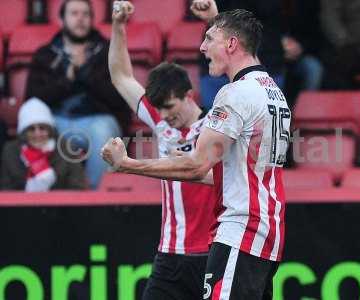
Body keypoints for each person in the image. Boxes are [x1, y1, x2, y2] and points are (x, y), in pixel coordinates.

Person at [103, 6, 291, 300]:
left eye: (210, 39)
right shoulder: (273, 93)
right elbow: (227, 173)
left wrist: (126, 164)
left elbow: (197, 167)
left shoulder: (235, 96)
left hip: (237, 231)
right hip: (261, 233)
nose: (202, 47)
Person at [108, 2, 217, 299]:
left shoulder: (217, 125)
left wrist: (212, 20)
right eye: (160, 109)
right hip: (169, 257)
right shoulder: (161, 122)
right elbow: (121, 76)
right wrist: (118, 27)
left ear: (188, 95)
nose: (165, 115)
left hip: (213, 254)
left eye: (170, 107)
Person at [25, 0, 131, 189]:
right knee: (38, 133)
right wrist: (66, 80)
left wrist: (86, 74)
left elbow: (120, 98)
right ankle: (49, 205)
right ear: (61, 19)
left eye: (85, 14)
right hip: (56, 121)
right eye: (74, 14)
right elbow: (32, 100)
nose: (80, 19)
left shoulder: (109, 51)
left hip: (98, 120)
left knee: (103, 134)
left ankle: (93, 201)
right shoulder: (46, 54)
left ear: (92, 19)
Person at [196, 0, 286, 110]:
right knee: (215, 118)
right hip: (217, 69)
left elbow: (268, 11)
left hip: (267, 62)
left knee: (259, 119)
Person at [1, 97, 86, 191]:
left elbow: (77, 187)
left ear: (50, 130)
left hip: (61, 204)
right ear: (24, 133)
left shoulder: (66, 148)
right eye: (31, 129)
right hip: (21, 204)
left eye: (42, 128)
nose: (37, 134)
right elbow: (6, 190)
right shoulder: (11, 151)